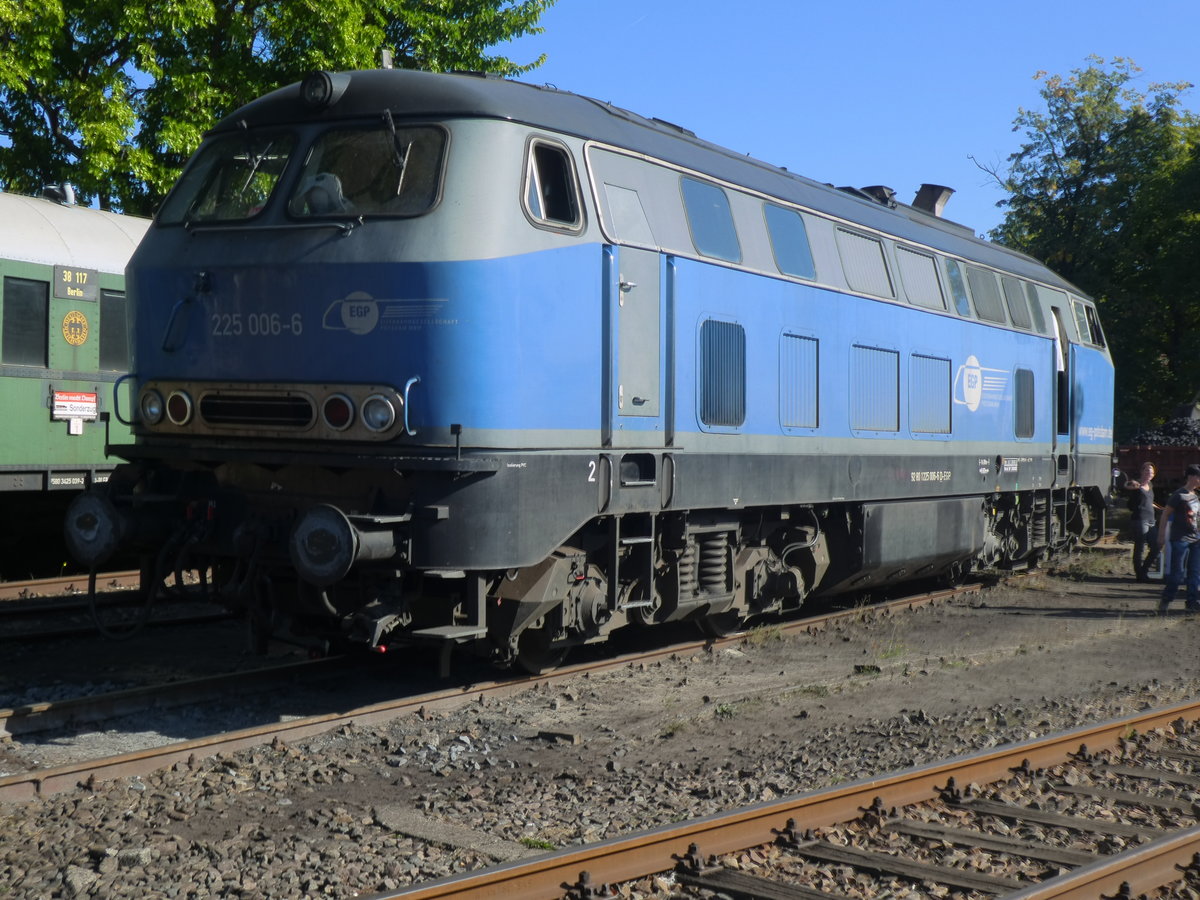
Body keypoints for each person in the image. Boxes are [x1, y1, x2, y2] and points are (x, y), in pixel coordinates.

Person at [1155, 463, 1200, 614]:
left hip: (1195, 539)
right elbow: (1165, 514)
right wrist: (1161, 536)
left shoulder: (1195, 496)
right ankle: (1166, 600)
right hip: (1180, 539)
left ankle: (1192, 602)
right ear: (1192, 477)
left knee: (1194, 573)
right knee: (1177, 573)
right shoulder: (1178, 495)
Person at [1125, 462, 1159, 581]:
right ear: (1142, 472)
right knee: (1140, 547)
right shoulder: (1137, 485)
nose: (1149, 473)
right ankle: (1139, 574)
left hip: (1151, 519)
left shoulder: (1150, 485)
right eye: (1146, 471)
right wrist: (1135, 485)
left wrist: (1162, 508)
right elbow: (1127, 485)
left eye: (1151, 472)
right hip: (1140, 519)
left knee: (1156, 545)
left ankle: (1144, 570)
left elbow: (1149, 501)